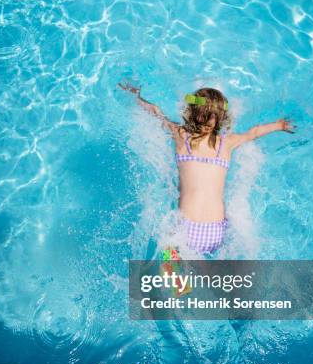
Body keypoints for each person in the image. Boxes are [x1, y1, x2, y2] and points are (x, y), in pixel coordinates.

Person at [119, 82, 295, 256]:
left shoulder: (182, 137)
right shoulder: (226, 143)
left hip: (186, 229)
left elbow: (157, 113)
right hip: (216, 231)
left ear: (192, 112)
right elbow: (253, 132)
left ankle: (177, 284)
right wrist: (279, 125)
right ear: (219, 118)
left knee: (169, 250)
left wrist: (136, 97)